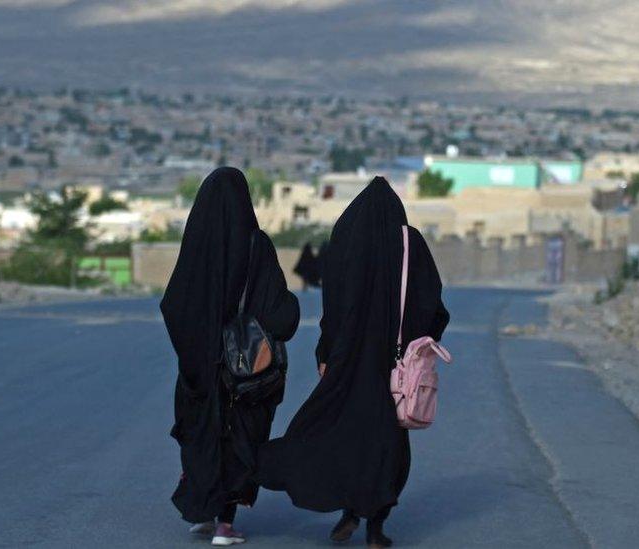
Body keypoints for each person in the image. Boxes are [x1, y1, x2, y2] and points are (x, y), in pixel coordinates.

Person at [259, 177, 449, 548]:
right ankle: (376, 529)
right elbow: (432, 306)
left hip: (348, 364)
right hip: (394, 369)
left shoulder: (346, 241)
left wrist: (326, 354)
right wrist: (419, 341)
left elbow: (333, 310)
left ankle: (347, 512)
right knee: (386, 446)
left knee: (344, 437)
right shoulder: (410, 244)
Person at [161, 167, 300, 546]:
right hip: (245, 373)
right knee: (240, 440)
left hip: (200, 373)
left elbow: (174, 304)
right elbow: (280, 315)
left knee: (202, 436)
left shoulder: (196, 246)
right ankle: (225, 523)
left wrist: (197, 350)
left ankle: (203, 512)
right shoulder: (257, 246)